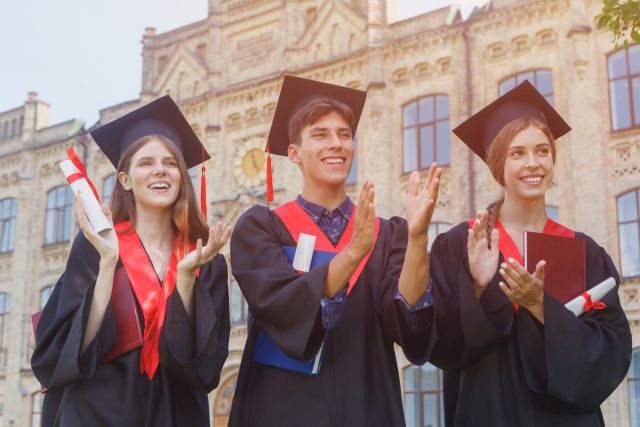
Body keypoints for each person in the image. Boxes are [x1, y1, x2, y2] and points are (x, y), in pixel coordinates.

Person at [228, 75, 440, 426]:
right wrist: (353, 253)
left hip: (366, 406)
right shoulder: (261, 228)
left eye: (344, 134)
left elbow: (406, 325)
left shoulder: (387, 233)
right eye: (320, 134)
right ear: (293, 153)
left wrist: (418, 238)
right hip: (281, 409)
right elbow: (276, 304)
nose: (336, 143)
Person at [429, 80, 632, 427]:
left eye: (542, 150)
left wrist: (540, 305)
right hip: (488, 415)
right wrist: (477, 289)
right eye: (517, 153)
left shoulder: (585, 252)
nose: (533, 163)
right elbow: (441, 346)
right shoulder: (463, 244)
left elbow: (610, 353)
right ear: (497, 164)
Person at [31, 96, 232, 427]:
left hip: (176, 414)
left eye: (170, 163)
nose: (160, 171)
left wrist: (184, 279)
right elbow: (70, 351)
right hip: (98, 411)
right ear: (124, 179)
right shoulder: (97, 244)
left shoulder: (203, 258)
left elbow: (205, 367)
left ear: (182, 175)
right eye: (146, 163)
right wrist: (108, 263)